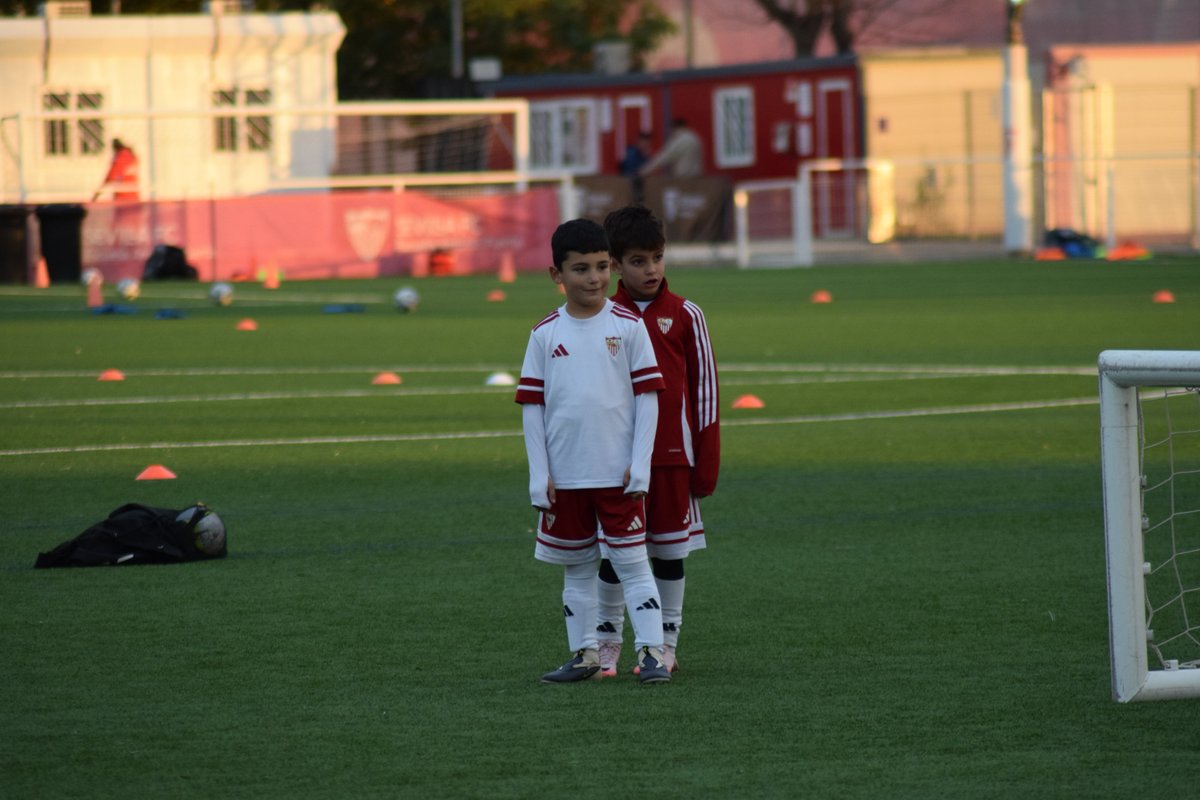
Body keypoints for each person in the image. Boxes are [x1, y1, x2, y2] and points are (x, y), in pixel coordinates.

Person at [515, 218, 673, 685]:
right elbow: (532, 406)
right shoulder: (544, 333)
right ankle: (584, 654)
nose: (595, 278)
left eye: (602, 267)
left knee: (632, 563)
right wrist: (537, 472)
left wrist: (640, 463)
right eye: (581, 268)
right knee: (577, 570)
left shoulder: (628, 327)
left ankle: (650, 654)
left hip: (617, 475)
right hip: (565, 479)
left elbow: (648, 398)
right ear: (556, 275)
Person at [596, 204, 721, 677]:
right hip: (616, 462)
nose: (651, 269)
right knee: (614, 557)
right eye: (638, 261)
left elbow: (705, 393)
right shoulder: (604, 316)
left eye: (658, 258)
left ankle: (667, 643)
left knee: (669, 555)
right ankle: (607, 644)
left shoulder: (687, 314)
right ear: (615, 265)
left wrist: (704, 464)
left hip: (672, 461)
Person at [639, 118, 703, 179]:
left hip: (684, 179)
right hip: (696, 178)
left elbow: (663, 158)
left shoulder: (681, 140)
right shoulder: (694, 138)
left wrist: (643, 172)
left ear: (675, 128)